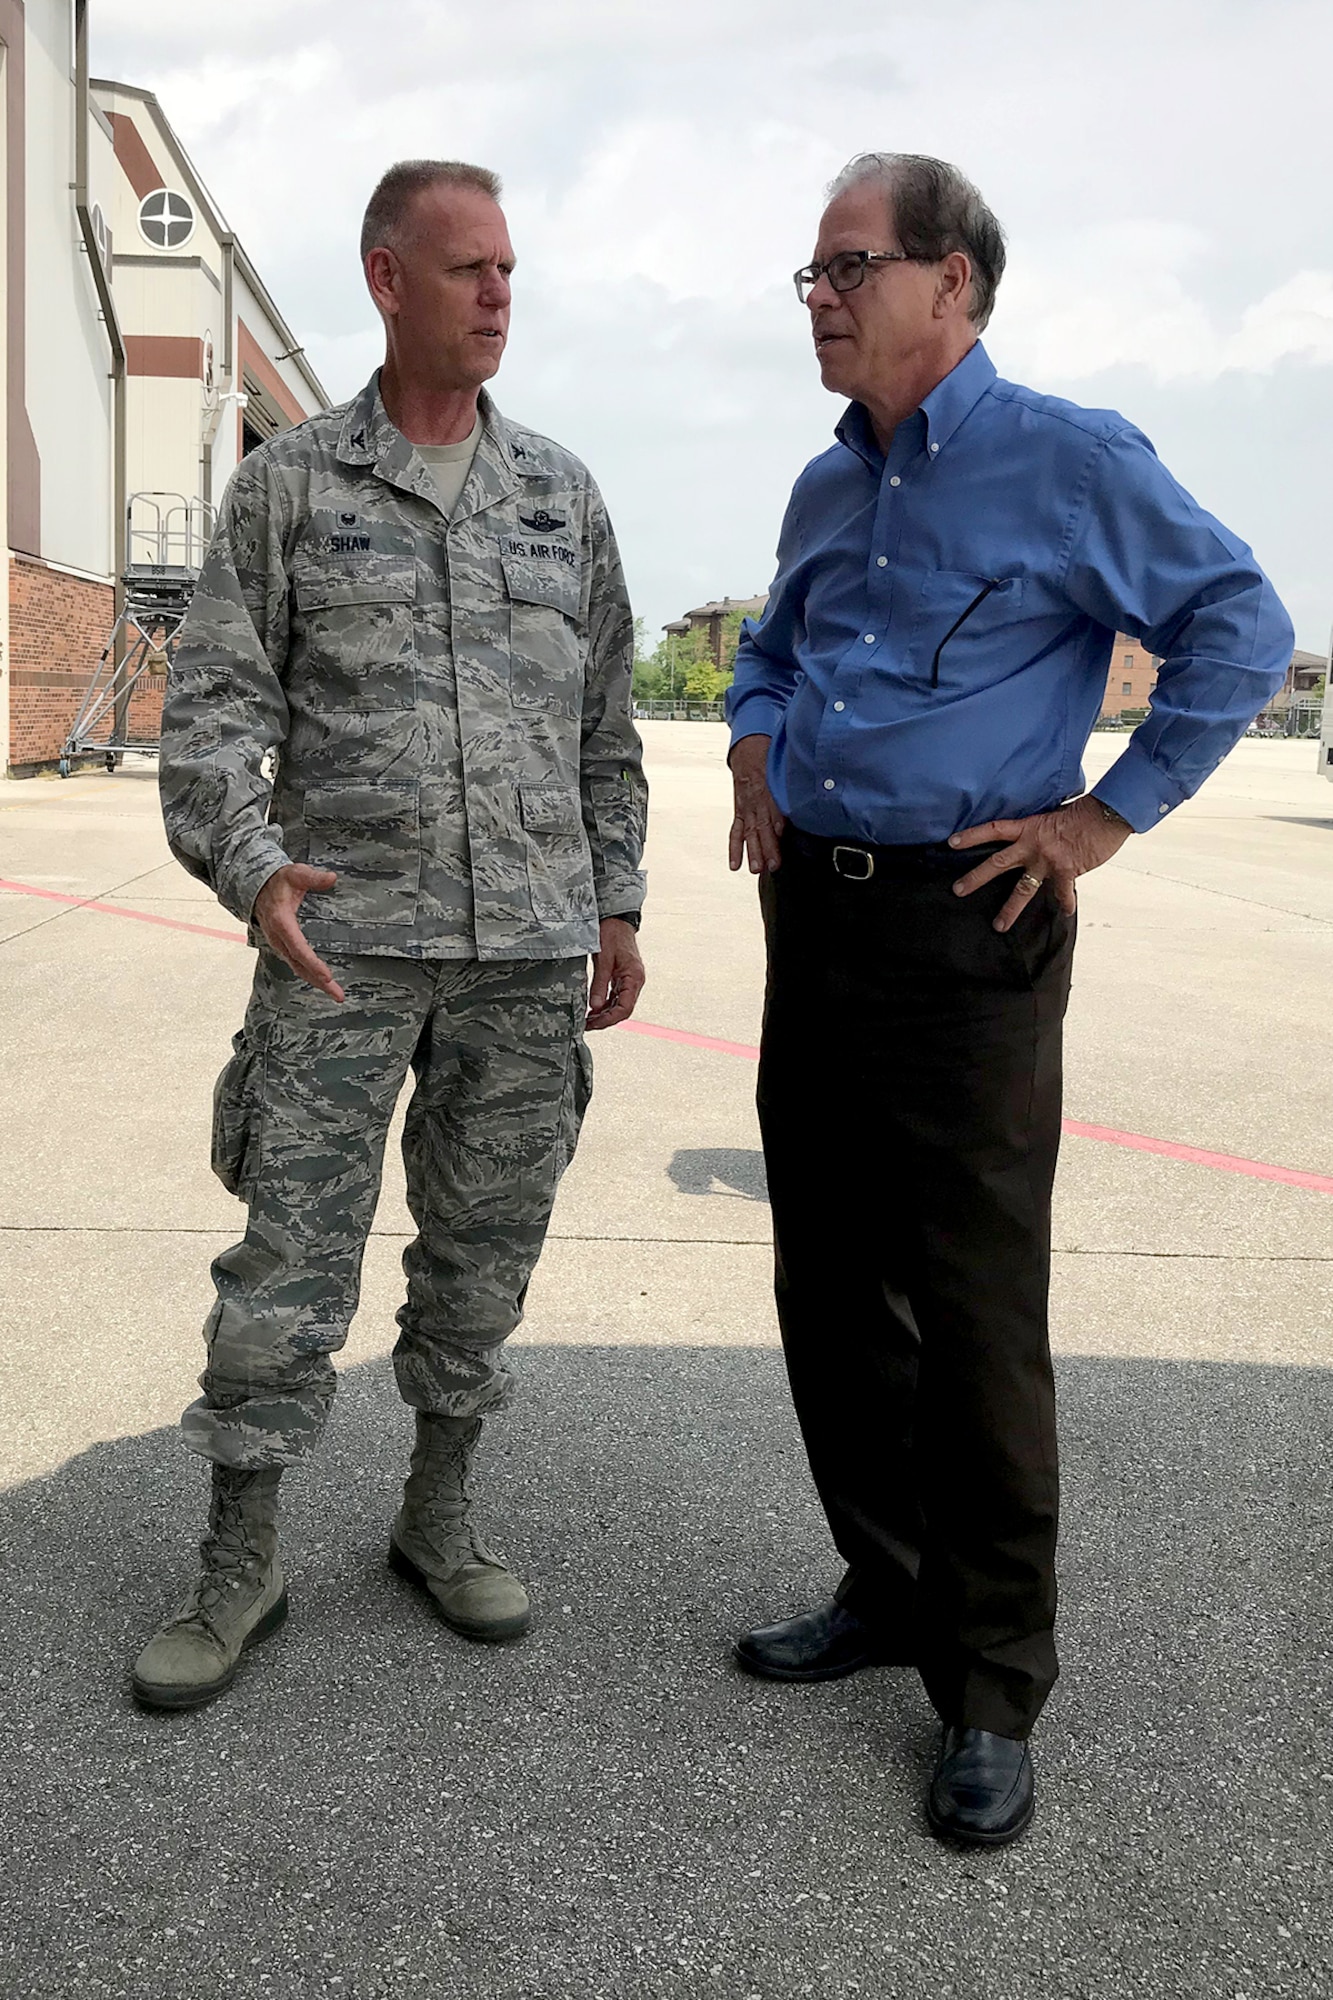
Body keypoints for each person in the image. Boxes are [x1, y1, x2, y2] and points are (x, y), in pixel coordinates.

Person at [725, 152, 1292, 1845]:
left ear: (951, 284)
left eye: (847, 266)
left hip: (969, 930)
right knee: (830, 1288)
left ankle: (986, 1687)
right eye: (810, 272)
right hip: (811, 928)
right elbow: (765, 648)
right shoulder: (826, 489)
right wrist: (754, 747)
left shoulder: (1069, 458)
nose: (818, 296)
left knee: (971, 1313)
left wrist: (1103, 814)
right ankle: (885, 1587)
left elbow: (1238, 626)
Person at [132, 159, 648, 1710]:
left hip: (524, 958)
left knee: (484, 1254)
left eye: (510, 271)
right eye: (469, 269)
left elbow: (605, 726)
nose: (499, 296)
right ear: (386, 278)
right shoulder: (290, 486)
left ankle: (437, 1513)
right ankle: (242, 1560)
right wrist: (255, 867)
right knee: (287, 1263)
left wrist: (614, 902)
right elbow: (214, 715)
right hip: (336, 952)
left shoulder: (560, 492)